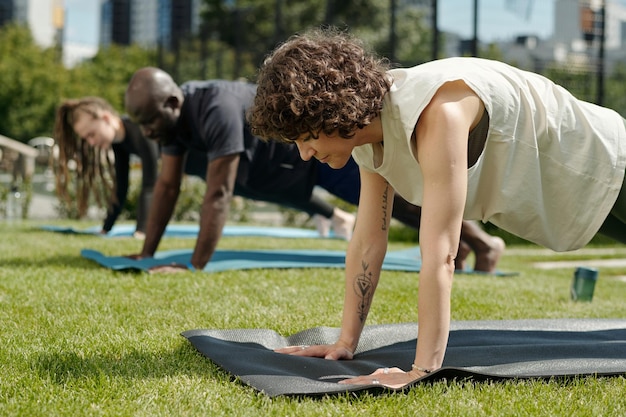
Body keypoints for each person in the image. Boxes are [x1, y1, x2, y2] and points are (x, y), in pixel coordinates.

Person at [248, 29, 626, 388]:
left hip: (608, 163)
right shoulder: (367, 134)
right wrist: (344, 342)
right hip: (576, 194)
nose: (304, 153)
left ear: (332, 113)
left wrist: (421, 370)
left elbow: (441, 254)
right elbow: (368, 240)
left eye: (306, 136)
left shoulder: (436, 112)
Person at [124, 67, 506, 273]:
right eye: (140, 124)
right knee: (401, 202)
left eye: (150, 121)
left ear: (172, 102)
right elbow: (166, 187)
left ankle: (484, 244)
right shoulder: (172, 123)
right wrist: (146, 253)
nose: (147, 133)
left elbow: (218, 193)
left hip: (321, 154)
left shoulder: (216, 109)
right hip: (294, 165)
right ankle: (472, 245)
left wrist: (194, 266)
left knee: (402, 200)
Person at [54, 97, 159, 238]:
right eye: (86, 139)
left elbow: (150, 184)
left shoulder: (140, 130)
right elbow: (121, 187)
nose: (91, 143)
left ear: (106, 118)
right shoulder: (119, 143)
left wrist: (141, 230)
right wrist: (106, 228)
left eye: (92, 134)